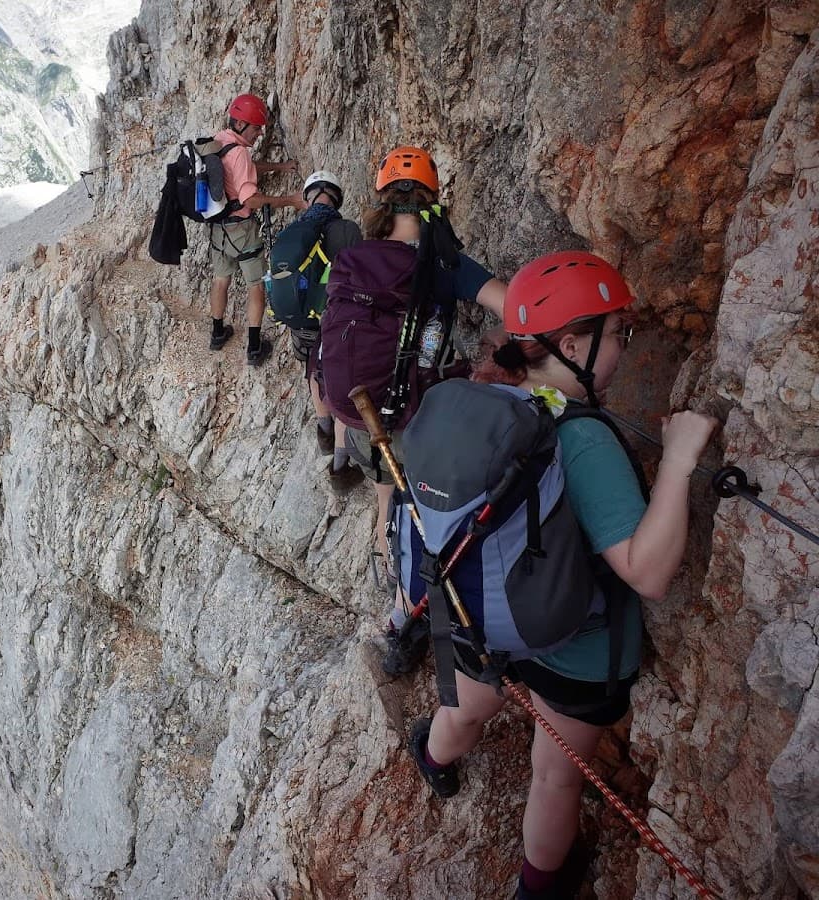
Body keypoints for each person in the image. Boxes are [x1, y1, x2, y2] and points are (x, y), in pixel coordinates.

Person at [408, 251, 718, 899]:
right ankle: (539, 887)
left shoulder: (489, 396)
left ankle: (433, 760)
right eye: (618, 333)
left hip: (482, 616)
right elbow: (648, 571)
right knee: (554, 776)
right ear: (573, 343)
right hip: (574, 647)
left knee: (465, 707)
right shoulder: (584, 439)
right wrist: (682, 460)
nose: (624, 347)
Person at [319, 146, 505, 669]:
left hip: (359, 416)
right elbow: (516, 307)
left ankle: (399, 616)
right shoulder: (445, 265)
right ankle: (425, 607)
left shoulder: (354, 259)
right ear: (433, 200)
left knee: (388, 509)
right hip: (416, 420)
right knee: (432, 517)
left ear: (382, 201)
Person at [207, 93, 304, 365]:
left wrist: (280, 167)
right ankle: (253, 347)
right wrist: (290, 201)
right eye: (255, 127)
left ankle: (217, 333)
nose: (260, 133)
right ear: (240, 125)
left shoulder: (220, 141)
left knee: (221, 279)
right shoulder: (239, 152)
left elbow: (243, 167)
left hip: (218, 229)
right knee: (256, 286)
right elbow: (250, 198)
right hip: (242, 232)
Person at [286, 171, 363, 486]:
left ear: (308, 197)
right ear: (337, 198)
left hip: (300, 318)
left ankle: (323, 432)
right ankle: (342, 466)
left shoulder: (293, 231)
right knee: (339, 381)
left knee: (311, 369)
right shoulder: (347, 230)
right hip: (336, 317)